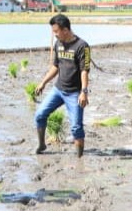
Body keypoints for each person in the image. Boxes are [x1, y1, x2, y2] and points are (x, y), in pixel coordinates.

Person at [33, 14, 91, 157]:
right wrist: (43, 83)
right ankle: (41, 144)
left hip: (74, 93)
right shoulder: (58, 44)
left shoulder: (82, 46)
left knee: (76, 128)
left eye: (56, 31)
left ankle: (79, 157)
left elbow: (85, 71)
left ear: (65, 30)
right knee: (40, 115)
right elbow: (55, 67)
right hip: (58, 90)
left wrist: (84, 92)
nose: (55, 35)